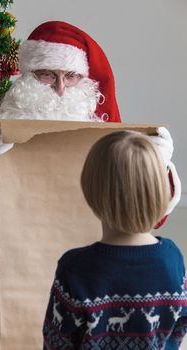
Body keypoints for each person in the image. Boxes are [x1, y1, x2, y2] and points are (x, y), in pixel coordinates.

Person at [0, 21, 180, 349]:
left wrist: (156, 168)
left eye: (71, 76)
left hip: (97, 281)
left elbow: (147, 218)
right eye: (47, 74)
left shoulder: (104, 132)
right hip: (6, 284)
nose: (60, 88)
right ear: (27, 74)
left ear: (85, 80)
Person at [43, 130, 187, 350]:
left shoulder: (74, 269)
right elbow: (178, 330)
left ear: (91, 193)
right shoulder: (173, 259)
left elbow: (56, 342)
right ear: (160, 193)